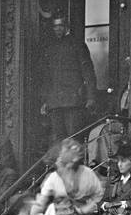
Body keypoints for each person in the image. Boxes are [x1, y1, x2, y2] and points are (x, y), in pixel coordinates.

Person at [37, 15, 97, 144]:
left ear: (66, 27)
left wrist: (91, 97)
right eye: (55, 26)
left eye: (60, 26)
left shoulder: (77, 44)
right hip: (55, 102)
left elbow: (88, 71)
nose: (57, 29)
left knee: (73, 139)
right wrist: (46, 100)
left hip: (73, 101)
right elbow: (47, 77)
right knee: (58, 140)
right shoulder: (50, 48)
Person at [38, 138, 104, 215]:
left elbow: (98, 197)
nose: (59, 160)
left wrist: (84, 210)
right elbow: (42, 203)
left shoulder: (87, 173)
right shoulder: (53, 178)